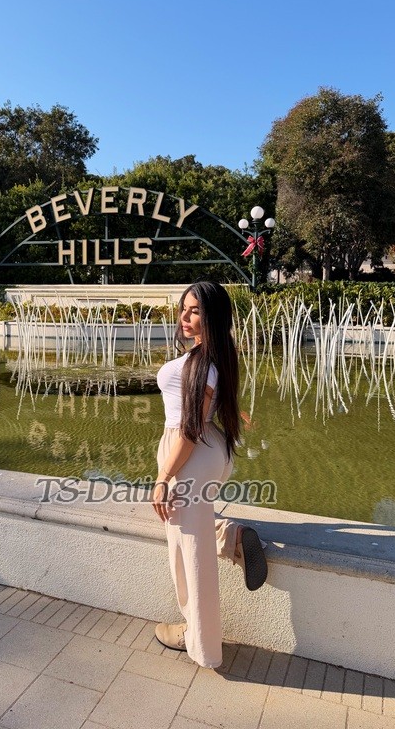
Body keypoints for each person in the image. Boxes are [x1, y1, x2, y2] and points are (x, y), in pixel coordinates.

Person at [153, 280, 267, 668]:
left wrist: (163, 477)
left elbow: (189, 428)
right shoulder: (215, 356)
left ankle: (199, 641)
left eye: (195, 311)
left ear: (212, 316)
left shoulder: (203, 363)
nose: (185, 317)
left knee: (188, 553)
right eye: (183, 309)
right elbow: (209, 406)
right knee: (191, 531)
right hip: (206, 451)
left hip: (190, 454)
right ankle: (233, 537)